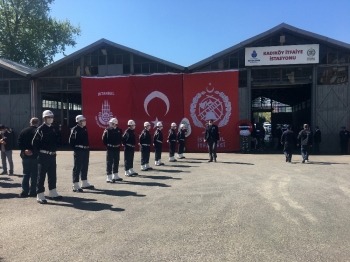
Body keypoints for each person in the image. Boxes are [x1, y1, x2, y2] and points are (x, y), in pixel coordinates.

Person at [32, 110, 62, 204]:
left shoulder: (53, 128)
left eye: (51, 117)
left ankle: (53, 192)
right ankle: (40, 194)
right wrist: (39, 154)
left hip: (52, 155)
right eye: (48, 117)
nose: (50, 119)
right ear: (44, 118)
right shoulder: (40, 129)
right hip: (43, 155)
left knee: (52, 174)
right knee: (41, 175)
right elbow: (34, 143)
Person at [69, 115, 94, 192]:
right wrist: (77, 149)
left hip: (86, 150)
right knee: (77, 167)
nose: (84, 121)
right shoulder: (75, 129)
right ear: (79, 121)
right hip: (79, 150)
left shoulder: (85, 128)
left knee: (85, 166)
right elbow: (71, 142)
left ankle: (84, 182)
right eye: (83, 120)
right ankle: (75, 184)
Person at [17, 117, 40, 197]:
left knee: (26, 174)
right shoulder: (39, 131)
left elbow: (19, 143)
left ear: (30, 123)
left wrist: (25, 150)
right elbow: (40, 144)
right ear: (38, 123)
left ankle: (24, 191)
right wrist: (33, 151)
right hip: (35, 156)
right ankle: (33, 191)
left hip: (25, 156)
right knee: (35, 174)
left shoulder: (23, 131)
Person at [102, 118, 123, 182]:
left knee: (116, 161)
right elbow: (104, 139)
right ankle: (109, 176)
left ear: (115, 123)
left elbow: (120, 138)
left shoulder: (119, 130)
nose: (110, 124)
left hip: (117, 148)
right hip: (110, 148)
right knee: (109, 162)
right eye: (110, 123)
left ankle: (115, 175)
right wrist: (108, 145)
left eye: (112, 123)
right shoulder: (107, 130)